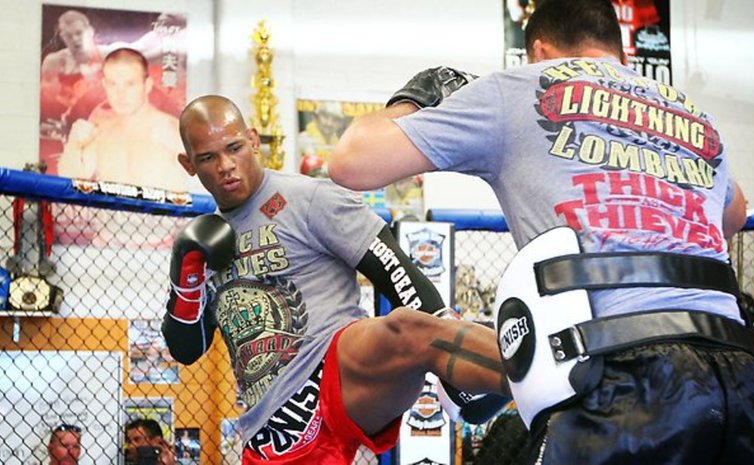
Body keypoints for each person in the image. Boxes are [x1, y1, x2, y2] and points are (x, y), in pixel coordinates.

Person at [328, 0, 754, 464]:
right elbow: (734, 214)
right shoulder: (691, 114)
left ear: (539, 50)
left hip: (618, 376)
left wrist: (417, 99)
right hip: (737, 375)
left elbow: (352, 162)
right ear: (618, 50)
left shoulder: (523, 86)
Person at [163, 94, 510, 464]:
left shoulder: (308, 199)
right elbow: (186, 350)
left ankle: (545, 365)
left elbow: (394, 270)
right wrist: (187, 283)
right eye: (208, 157)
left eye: (234, 147)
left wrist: (448, 345)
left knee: (408, 329)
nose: (226, 166)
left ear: (253, 139)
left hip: (338, 373)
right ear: (188, 164)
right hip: (274, 431)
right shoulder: (201, 245)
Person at [57, 47, 188, 192]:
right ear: (104, 85)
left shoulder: (174, 134)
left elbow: (197, 197)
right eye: (113, 84)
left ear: (147, 86)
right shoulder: (100, 133)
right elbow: (68, 189)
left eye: (130, 84)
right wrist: (73, 146)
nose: (120, 94)